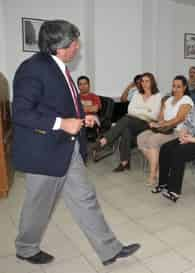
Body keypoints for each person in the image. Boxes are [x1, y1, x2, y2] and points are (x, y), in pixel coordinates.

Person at [12, 20, 139, 266]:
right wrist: (61, 123)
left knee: (85, 198)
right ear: (60, 47)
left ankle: (109, 249)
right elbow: (21, 113)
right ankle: (26, 248)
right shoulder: (33, 68)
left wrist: (82, 118)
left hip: (67, 148)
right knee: (39, 205)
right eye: (74, 43)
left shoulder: (59, 66)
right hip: (45, 152)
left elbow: (63, 103)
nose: (78, 47)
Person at [94, 72, 162, 172]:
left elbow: (153, 115)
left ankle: (104, 140)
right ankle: (124, 163)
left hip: (147, 124)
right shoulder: (137, 94)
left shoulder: (157, 96)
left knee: (126, 120)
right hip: (133, 122)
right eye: (142, 81)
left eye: (147, 81)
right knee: (126, 130)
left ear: (152, 82)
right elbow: (130, 110)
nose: (144, 83)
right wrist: (145, 111)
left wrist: (138, 112)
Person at [137, 75, 193, 186]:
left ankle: (152, 175)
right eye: (173, 86)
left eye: (178, 87)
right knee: (141, 138)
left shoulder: (186, 100)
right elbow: (161, 117)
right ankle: (159, 169)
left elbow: (179, 119)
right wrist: (157, 123)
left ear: (184, 87)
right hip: (164, 129)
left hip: (177, 131)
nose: (175, 89)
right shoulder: (169, 99)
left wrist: (162, 124)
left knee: (152, 140)